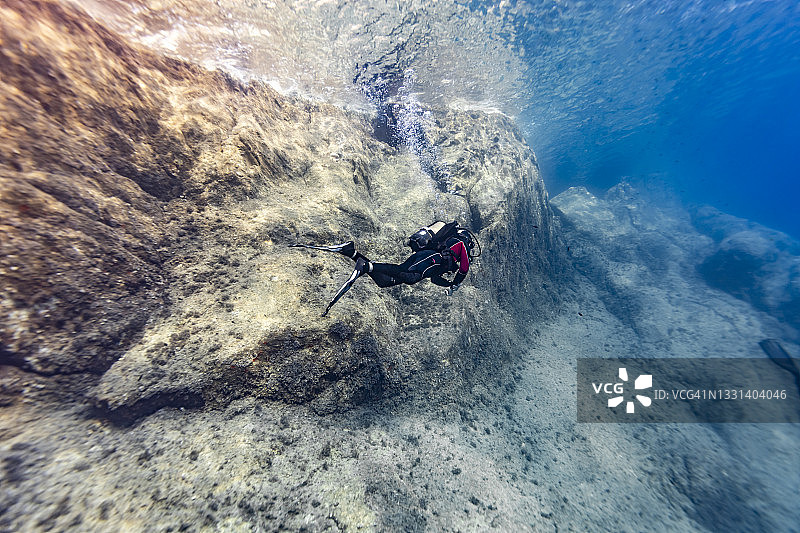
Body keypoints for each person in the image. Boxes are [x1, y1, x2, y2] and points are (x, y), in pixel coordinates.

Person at [291, 221, 479, 316]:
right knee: (408, 274)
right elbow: (463, 268)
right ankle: (366, 266)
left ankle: (352, 253)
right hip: (428, 258)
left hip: (428, 263)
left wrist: (447, 285)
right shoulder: (459, 243)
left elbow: (434, 278)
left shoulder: (453, 253)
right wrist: (457, 283)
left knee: (383, 281)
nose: (470, 248)